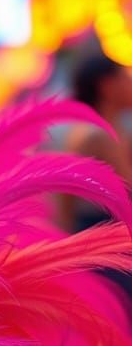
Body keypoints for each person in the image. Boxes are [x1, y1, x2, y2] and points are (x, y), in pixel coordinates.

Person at [59, 54, 132, 231]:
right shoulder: (97, 136)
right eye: (126, 79)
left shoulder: (111, 130)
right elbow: (129, 191)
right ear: (107, 86)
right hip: (103, 238)